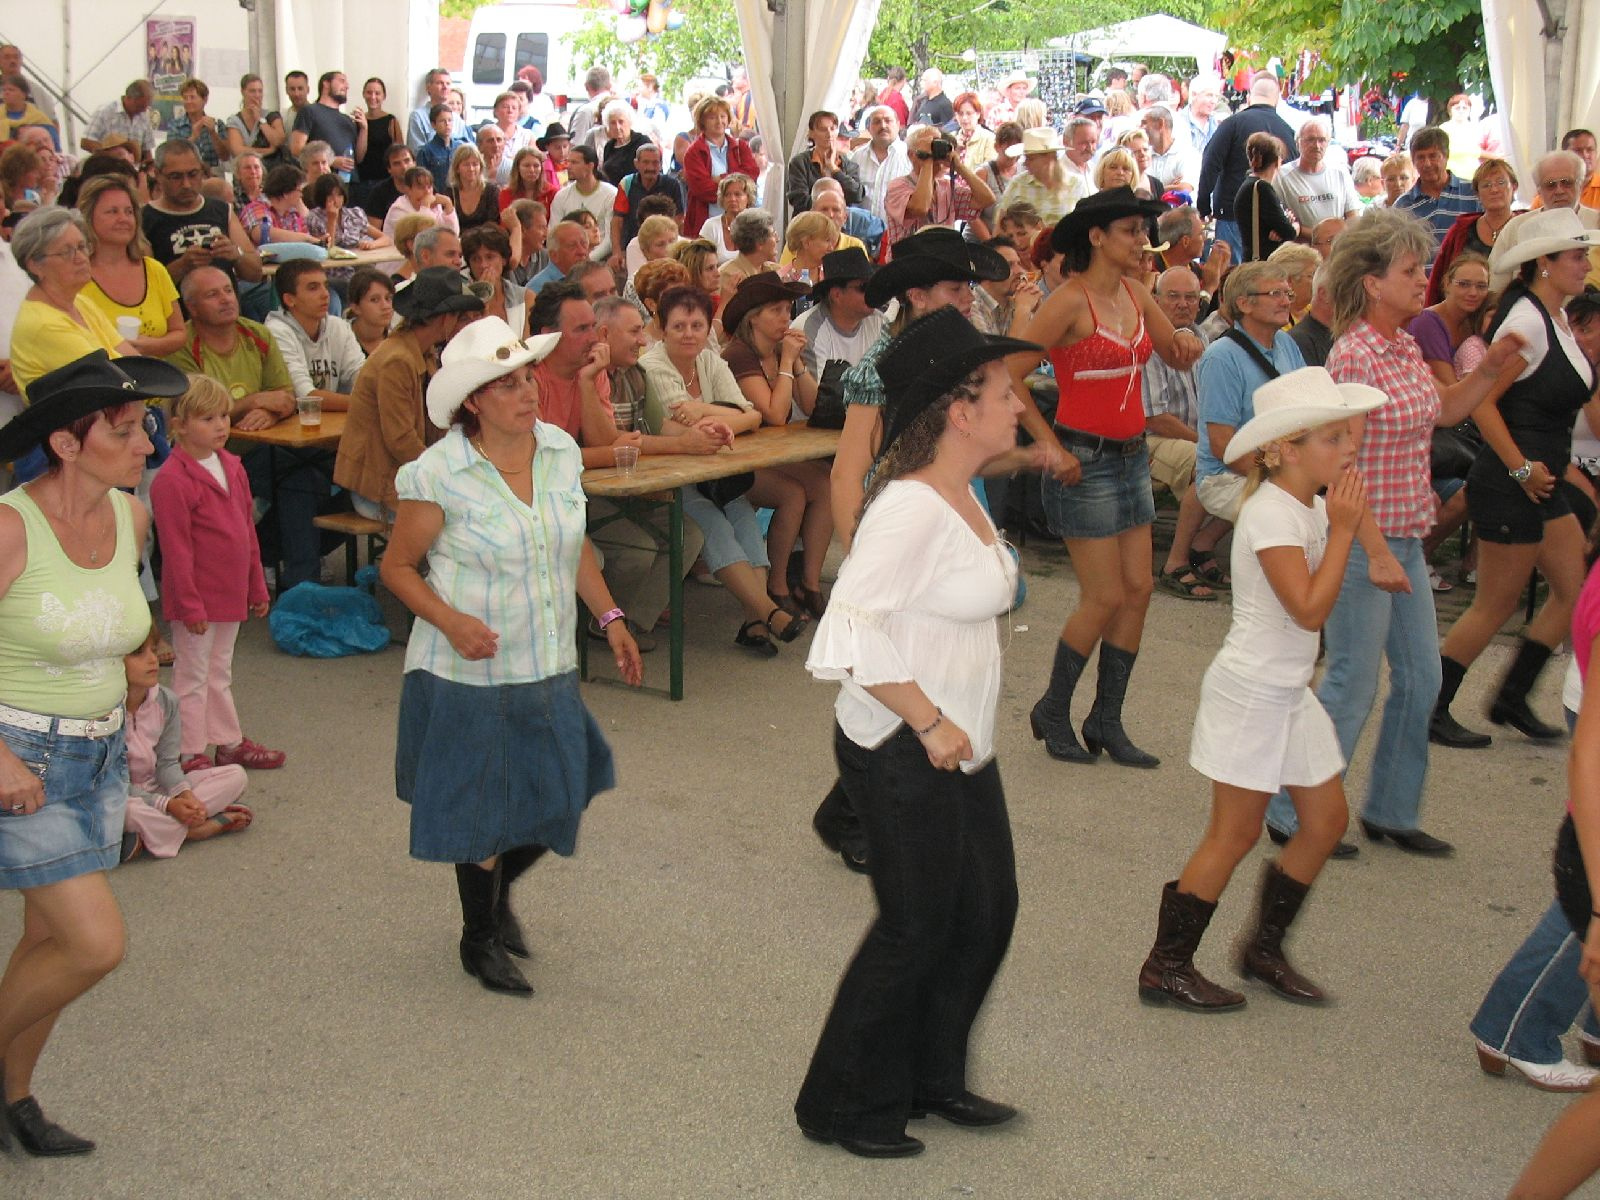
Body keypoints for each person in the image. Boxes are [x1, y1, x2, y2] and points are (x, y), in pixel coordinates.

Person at [794, 308, 1034, 1159]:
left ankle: (931, 1078)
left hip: (962, 740)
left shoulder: (963, 493)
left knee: (986, 911)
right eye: (1007, 393)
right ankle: (843, 1105)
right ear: (960, 411)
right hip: (905, 742)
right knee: (916, 924)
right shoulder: (908, 509)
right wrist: (928, 721)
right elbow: (847, 632)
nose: (1020, 406)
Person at [380, 315, 641, 997]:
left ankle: (494, 901)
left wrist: (609, 615)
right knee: (482, 813)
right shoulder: (437, 474)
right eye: (507, 385)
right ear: (473, 401)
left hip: (547, 654)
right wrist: (450, 620)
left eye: (528, 378)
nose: (527, 393)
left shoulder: (559, 450)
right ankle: (480, 936)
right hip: (469, 668)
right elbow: (399, 568)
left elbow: (574, 543)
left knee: (568, 786)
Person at [1260, 207, 1527, 852]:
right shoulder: (1355, 356)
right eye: (1410, 270)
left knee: (1421, 679)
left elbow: (1443, 413)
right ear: (1372, 283)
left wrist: (1490, 370)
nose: (1421, 280)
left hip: (1400, 538)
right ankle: (1294, 812)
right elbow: (1341, 467)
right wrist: (1375, 551)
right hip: (1363, 540)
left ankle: (1391, 810)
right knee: (1353, 677)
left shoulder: (1406, 344)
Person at [1138, 367, 1384, 1011]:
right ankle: (1167, 966)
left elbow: (1343, 515)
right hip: (1251, 691)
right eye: (1333, 438)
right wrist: (1351, 539)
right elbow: (1307, 609)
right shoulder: (1273, 514)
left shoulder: (1310, 501)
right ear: (1285, 449)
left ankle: (1262, 950)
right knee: (1234, 834)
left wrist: (1373, 547)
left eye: (1347, 435)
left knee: (1326, 821)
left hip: (1287, 691)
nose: (1349, 448)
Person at [0, 349, 183, 1156]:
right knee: (93, 943)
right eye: (127, 429)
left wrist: (133, 677)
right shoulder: (10, 526)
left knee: (46, 944)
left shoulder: (129, 516)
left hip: (99, 757)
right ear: (68, 444)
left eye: (145, 425)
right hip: (21, 761)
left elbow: (122, 624)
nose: (147, 443)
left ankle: (13, 1100)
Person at [1014, 188, 1205, 769]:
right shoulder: (1068, 301)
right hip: (1084, 460)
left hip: (1129, 456)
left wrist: (1186, 344)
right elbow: (1007, 375)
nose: (1140, 240)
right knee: (1103, 597)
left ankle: (1106, 718)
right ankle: (1053, 709)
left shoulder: (1136, 291)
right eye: (1129, 229)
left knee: (1139, 590)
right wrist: (1049, 447)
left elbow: (1171, 353)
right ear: (1096, 236)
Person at [1432, 208, 1600, 746]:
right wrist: (1522, 468)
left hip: (1540, 483)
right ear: (1542, 264)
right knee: (1496, 603)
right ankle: (1433, 707)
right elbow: (1483, 405)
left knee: (1575, 591)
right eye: (1576, 255)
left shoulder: (1552, 318)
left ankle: (1513, 695)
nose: (1586, 263)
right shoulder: (1527, 321)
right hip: (1513, 482)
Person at [637, 285, 807, 652]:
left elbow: (753, 415)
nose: (689, 334)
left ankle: (754, 621)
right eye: (679, 326)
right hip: (669, 473)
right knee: (712, 523)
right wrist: (723, 417)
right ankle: (765, 611)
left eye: (697, 325)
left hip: (715, 469)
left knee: (743, 515)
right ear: (662, 329)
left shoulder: (710, 361)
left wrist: (703, 410)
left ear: (707, 329)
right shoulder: (652, 367)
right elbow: (686, 432)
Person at [148, 372, 281, 772]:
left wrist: (256, 585)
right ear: (180, 425)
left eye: (223, 415)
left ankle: (227, 740)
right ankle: (188, 751)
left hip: (230, 591)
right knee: (192, 675)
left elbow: (247, 533)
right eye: (207, 418)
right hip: (197, 598)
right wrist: (190, 606)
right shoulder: (172, 479)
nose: (221, 425)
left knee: (220, 669)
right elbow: (176, 550)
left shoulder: (233, 466)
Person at [720, 271, 835, 616]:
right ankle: (777, 584)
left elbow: (815, 407)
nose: (786, 318)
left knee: (826, 484)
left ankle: (810, 583)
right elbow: (773, 413)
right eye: (776, 310)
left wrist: (796, 363)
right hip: (735, 461)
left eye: (788, 309)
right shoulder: (739, 354)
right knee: (793, 494)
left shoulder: (779, 351)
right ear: (753, 316)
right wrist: (786, 361)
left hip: (769, 455)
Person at [335, 267, 481, 520]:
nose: (461, 324)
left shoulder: (423, 353)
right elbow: (401, 440)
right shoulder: (397, 361)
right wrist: (449, 477)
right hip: (380, 486)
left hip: (406, 477)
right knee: (462, 520)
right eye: (459, 316)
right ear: (444, 318)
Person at [118, 628, 251, 860]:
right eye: (139, 653)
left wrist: (185, 795)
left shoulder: (166, 701)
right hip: (122, 794)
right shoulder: (104, 712)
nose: (153, 659)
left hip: (158, 786)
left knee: (235, 775)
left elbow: (168, 763)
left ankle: (164, 830)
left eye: (154, 650)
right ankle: (197, 830)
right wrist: (168, 805)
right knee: (124, 811)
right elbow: (113, 783)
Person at [1144, 267, 1219, 602]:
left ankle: (1204, 544)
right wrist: (1207, 442)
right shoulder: (1150, 341)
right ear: (1157, 299)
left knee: (1263, 458)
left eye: (1190, 297)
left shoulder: (1201, 337)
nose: (1183, 304)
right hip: (1151, 438)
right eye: (1173, 296)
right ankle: (1174, 563)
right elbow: (1156, 418)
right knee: (1206, 462)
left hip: (1192, 433)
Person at [77, 176, 184, 358]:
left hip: (160, 378)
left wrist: (149, 346)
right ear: (89, 218)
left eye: (128, 212)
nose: (123, 219)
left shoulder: (154, 270)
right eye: (112, 212)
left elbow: (179, 333)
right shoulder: (75, 276)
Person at [1197, 74, 1296, 262]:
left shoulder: (1232, 124)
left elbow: (1211, 163)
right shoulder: (1287, 130)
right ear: (1276, 99)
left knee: (1232, 274)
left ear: (1250, 96)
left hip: (1232, 212)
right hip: (1271, 220)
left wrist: (1203, 206)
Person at [141, 140, 263, 289]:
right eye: (175, 177)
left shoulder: (223, 211)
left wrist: (237, 254)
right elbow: (144, 287)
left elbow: (255, 273)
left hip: (225, 309)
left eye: (193, 174)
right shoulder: (144, 218)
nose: (186, 184)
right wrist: (182, 266)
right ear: (158, 175)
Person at [264, 259, 364, 411]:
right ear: (289, 300)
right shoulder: (276, 332)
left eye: (326, 286)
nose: (325, 294)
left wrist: (372, 393)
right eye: (313, 288)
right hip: (293, 426)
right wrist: (366, 404)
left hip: (331, 421)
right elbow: (305, 397)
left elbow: (362, 376)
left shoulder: (338, 326)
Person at [1427, 158, 1518, 306]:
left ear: (1514, 187)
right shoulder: (1460, 231)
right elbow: (1439, 279)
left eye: (1501, 183)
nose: (1494, 190)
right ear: (1477, 194)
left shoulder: (1525, 227)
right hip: (1463, 317)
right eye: (1486, 185)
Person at [884, 125, 994, 247]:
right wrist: (927, 162)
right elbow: (920, 208)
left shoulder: (946, 187)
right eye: (928, 145)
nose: (933, 151)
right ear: (911, 155)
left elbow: (986, 200)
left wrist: (959, 166)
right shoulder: (897, 186)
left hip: (943, 260)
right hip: (907, 262)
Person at [1394, 127, 1481, 264]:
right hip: (1422, 283)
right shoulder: (1402, 206)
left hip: (1464, 282)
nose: (1427, 164)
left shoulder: (1474, 194)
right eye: (1420, 158)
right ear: (1413, 161)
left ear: (1446, 156)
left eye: (1433, 156)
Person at [1410, 252, 1493, 385]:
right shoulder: (1426, 323)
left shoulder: (1478, 321)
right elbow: (1449, 388)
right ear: (1447, 283)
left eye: (1481, 286)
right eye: (1464, 284)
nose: (1473, 293)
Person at [682, 96, 759, 237]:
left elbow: (752, 176)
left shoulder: (741, 146)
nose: (719, 121)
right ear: (702, 122)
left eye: (723, 116)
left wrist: (720, 179)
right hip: (706, 221)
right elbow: (702, 189)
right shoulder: (694, 152)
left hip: (740, 221)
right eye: (712, 117)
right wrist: (736, 186)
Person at [1273, 118, 1361, 231]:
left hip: (1338, 245)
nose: (1317, 146)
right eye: (1310, 139)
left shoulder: (1340, 173)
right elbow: (1279, 220)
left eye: (1322, 140)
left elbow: (1353, 216)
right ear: (1298, 142)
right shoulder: (1281, 176)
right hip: (1300, 247)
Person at [610, 142, 685, 271]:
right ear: (636, 164)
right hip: (635, 243)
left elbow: (679, 219)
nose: (650, 167)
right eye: (645, 162)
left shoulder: (672, 184)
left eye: (655, 163)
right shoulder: (626, 183)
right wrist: (617, 251)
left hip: (666, 244)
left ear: (661, 165)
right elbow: (617, 221)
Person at [998, 127, 1081, 227]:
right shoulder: (1017, 184)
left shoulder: (1075, 184)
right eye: (1026, 158)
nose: (1025, 163)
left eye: (1031, 159)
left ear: (1049, 157)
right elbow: (1000, 225)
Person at [289, 71, 363, 183]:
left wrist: (364, 129)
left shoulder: (348, 120)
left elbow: (359, 157)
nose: (347, 86)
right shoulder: (309, 111)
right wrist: (330, 161)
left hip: (351, 184)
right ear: (326, 84)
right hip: (322, 183)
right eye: (342, 81)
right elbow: (296, 149)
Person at [786, 110, 865, 215]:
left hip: (840, 223)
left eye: (833, 129)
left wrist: (834, 169)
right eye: (823, 129)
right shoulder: (799, 163)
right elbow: (799, 200)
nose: (829, 134)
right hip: (809, 222)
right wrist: (833, 204)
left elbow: (857, 195)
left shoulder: (848, 163)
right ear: (811, 133)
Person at [1236, 132, 1297, 261]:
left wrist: (1282, 224)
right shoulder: (1262, 188)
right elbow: (1289, 232)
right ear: (1278, 161)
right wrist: (1296, 226)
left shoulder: (1248, 184)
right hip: (1263, 262)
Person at [550, 145, 616, 262]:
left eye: (574, 163)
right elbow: (553, 233)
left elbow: (609, 239)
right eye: (568, 162)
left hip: (600, 259)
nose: (568, 167)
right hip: (568, 259)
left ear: (590, 166)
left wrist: (587, 259)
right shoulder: (561, 196)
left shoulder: (610, 194)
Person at [463, 224, 528, 337]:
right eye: (475, 259)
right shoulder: (462, 303)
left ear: (503, 260)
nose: (483, 265)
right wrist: (483, 298)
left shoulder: (526, 297)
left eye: (490, 257)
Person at [849, 106, 910, 224]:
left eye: (888, 120)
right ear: (869, 128)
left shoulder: (910, 156)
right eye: (877, 122)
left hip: (897, 233)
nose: (883, 126)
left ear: (898, 125)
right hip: (862, 233)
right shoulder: (857, 157)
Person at [80, 79, 158, 163]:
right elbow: (85, 142)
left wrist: (148, 167)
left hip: (133, 171)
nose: (143, 110)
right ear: (128, 98)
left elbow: (147, 150)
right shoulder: (105, 111)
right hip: (106, 168)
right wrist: (111, 154)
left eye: (146, 106)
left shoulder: (144, 115)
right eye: (140, 106)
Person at [165, 78, 231, 177]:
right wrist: (193, 137)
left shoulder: (218, 123)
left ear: (204, 99)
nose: (188, 101)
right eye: (185, 98)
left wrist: (213, 133)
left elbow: (225, 156)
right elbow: (172, 155)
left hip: (213, 175)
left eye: (192, 97)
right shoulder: (175, 125)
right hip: (186, 174)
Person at [353, 77, 402, 200]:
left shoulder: (391, 120)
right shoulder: (358, 121)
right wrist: (364, 127)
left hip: (386, 181)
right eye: (369, 92)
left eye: (377, 93)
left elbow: (400, 152)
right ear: (364, 94)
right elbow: (358, 157)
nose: (373, 97)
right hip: (363, 181)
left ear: (384, 96)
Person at [717, 208, 778, 307]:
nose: (777, 239)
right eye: (773, 234)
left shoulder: (773, 270)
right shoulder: (729, 276)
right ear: (759, 243)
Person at [380, 167, 459, 243]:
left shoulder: (435, 205)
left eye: (429, 186)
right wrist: (425, 207)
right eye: (420, 187)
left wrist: (449, 206)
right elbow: (423, 239)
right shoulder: (398, 210)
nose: (427, 192)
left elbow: (453, 234)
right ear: (408, 190)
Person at [225, 73, 286, 168]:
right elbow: (237, 150)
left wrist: (260, 120)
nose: (257, 95)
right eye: (252, 91)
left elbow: (278, 141)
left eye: (260, 91)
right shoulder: (234, 121)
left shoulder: (272, 116)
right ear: (243, 92)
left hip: (272, 170)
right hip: (245, 170)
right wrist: (268, 151)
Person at [698, 173, 756, 263]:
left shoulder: (757, 227)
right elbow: (699, 264)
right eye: (727, 195)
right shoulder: (711, 226)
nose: (732, 199)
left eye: (737, 194)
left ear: (748, 198)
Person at [406, 68, 466, 153]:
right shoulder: (418, 117)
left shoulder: (457, 119)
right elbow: (416, 151)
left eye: (448, 84)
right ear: (428, 88)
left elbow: (466, 149)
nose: (445, 87)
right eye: (440, 83)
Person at [1140, 106, 1199, 191]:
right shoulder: (1143, 155)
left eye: (1144, 123)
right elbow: (1136, 190)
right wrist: (1170, 188)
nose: (1140, 127)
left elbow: (1185, 189)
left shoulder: (1188, 154)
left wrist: (1151, 190)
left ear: (1160, 124)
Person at [594, 100, 651, 187]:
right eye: (613, 123)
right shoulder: (609, 146)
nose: (617, 127)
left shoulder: (642, 142)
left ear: (629, 122)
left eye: (621, 121)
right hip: (614, 195)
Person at [414, 103, 468, 193]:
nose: (447, 124)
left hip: (460, 196)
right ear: (433, 125)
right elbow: (422, 181)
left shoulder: (461, 147)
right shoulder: (425, 151)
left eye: (450, 120)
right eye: (442, 121)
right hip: (437, 198)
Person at [345, 266, 393, 355]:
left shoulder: (398, 337)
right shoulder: (341, 338)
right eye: (374, 300)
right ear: (356, 307)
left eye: (388, 298)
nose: (385, 306)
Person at [949, 93, 994, 174]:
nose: (964, 118)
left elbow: (990, 173)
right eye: (960, 113)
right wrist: (955, 150)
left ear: (978, 114)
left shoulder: (989, 138)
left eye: (969, 113)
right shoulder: (952, 137)